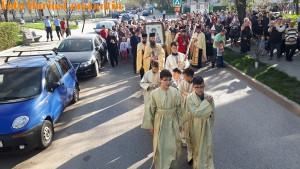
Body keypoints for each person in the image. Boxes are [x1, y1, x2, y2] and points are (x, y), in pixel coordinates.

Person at [141, 69, 183, 169]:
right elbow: (150, 110)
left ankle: (172, 164)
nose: (168, 82)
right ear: (160, 80)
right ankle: (161, 165)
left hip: (173, 120)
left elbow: (180, 108)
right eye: (165, 80)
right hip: (160, 121)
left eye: (170, 80)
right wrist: (150, 126)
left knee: (173, 144)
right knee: (160, 144)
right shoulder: (154, 93)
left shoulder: (175, 92)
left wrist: (180, 123)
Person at [186, 76, 215, 169]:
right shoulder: (189, 98)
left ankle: (206, 163)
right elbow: (195, 113)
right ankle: (195, 161)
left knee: (207, 144)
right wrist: (205, 103)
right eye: (197, 87)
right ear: (193, 87)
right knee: (196, 143)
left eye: (202, 86)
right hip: (195, 124)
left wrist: (210, 124)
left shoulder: (209, 97)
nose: (200, 89)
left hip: (206, 124)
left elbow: (212, 112)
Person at [178, 68, 194, 163]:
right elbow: (179, 91)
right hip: (184, 105)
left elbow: (197, 93)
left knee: (191, 124)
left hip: (192, 106)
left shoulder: (196, 82)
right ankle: (183, 139)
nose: (183, 77)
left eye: (184, 75)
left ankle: (191, 139)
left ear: (189, 76)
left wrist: (186, 94)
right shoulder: (183, 82)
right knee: (183, 123)